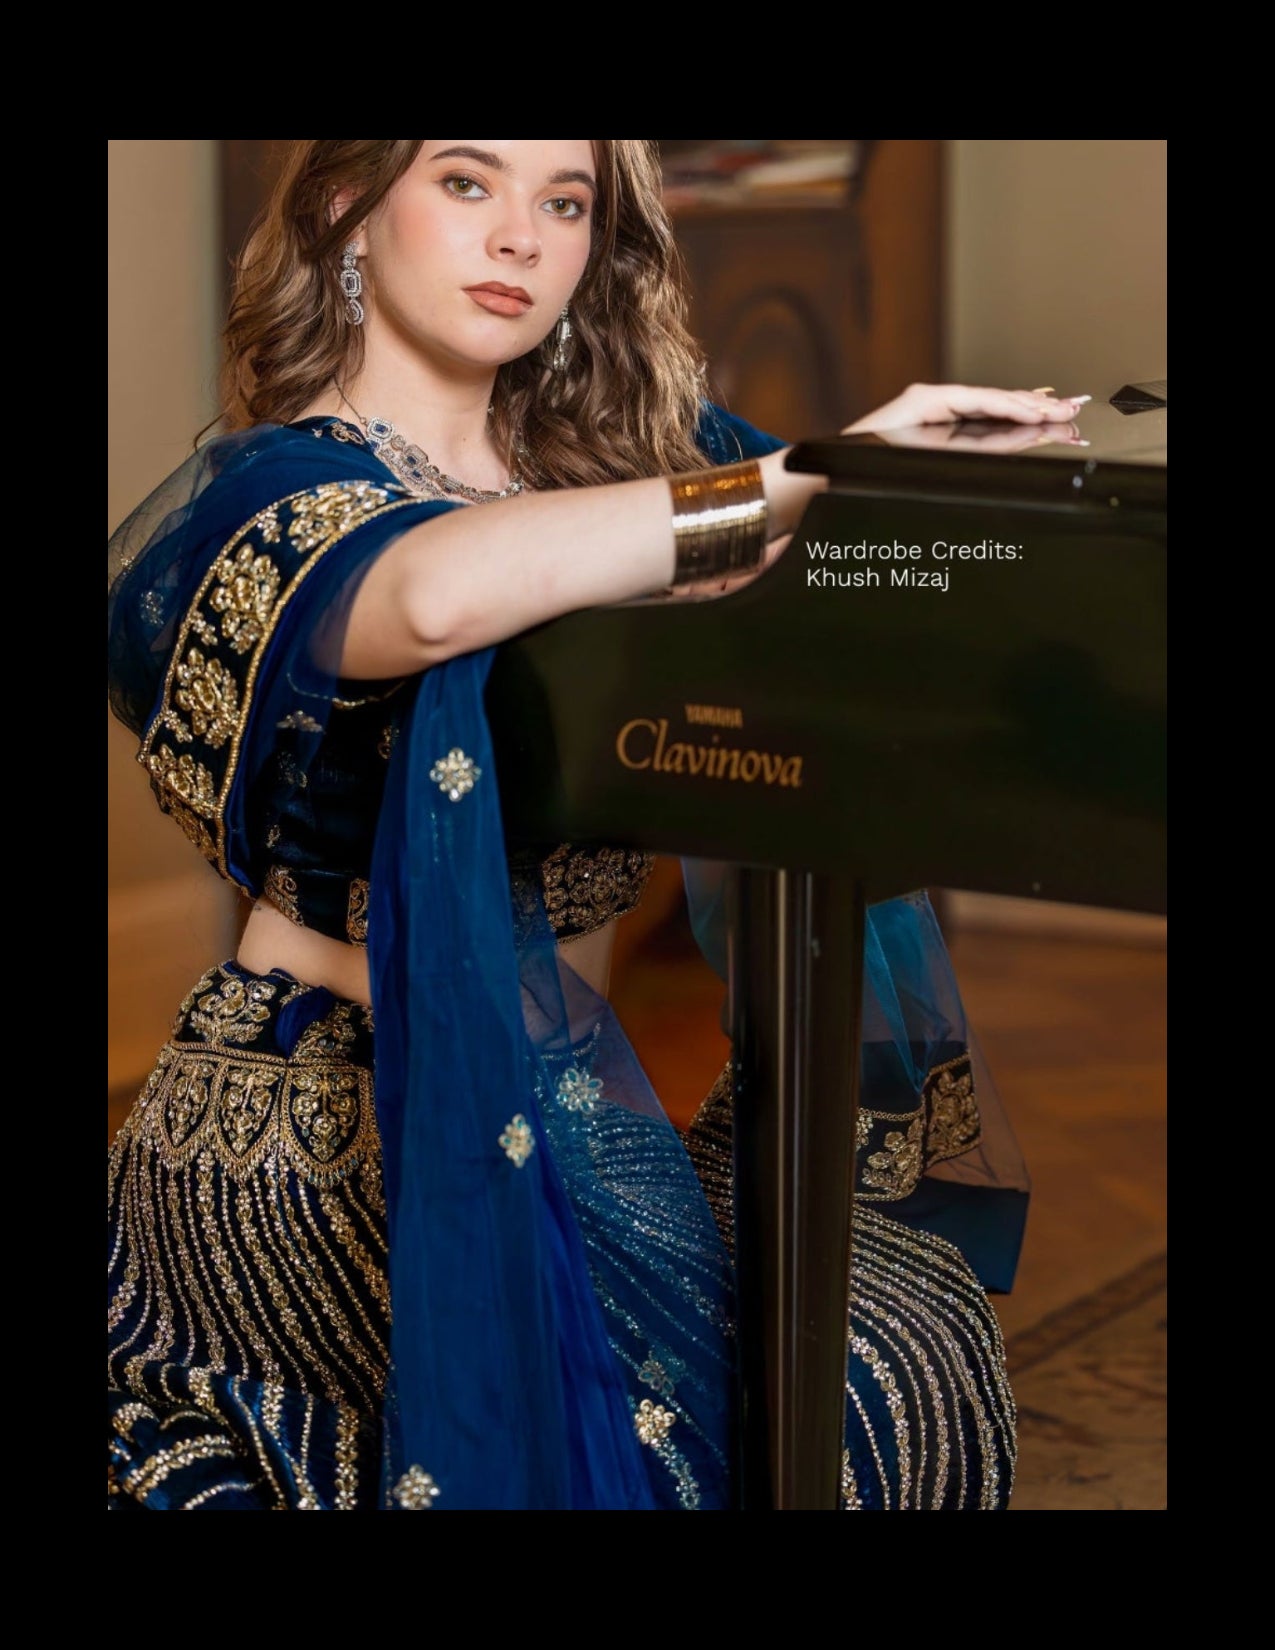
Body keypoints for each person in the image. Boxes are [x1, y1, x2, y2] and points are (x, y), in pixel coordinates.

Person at [107, 139, 1085, 1511]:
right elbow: (438, 593)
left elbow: (874, 566)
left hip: (572, 1115)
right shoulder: (270, 492)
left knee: (893, 1359)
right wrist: (801, 478)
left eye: (563, 203)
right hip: (324, 1133)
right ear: (344, 203)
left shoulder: (630, 472)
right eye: (467, 181)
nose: (521, 235)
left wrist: (957, 499)